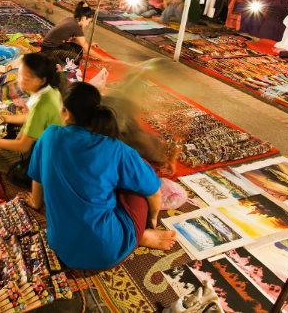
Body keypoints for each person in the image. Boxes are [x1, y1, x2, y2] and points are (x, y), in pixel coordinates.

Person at [21, 82, 176, 270]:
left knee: (124, 175)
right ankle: (140, 235)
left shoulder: (49, 135)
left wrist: (36, 203)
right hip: (108, 251)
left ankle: (133, 233)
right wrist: (150, 221)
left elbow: (37, 178)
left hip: (61, 247)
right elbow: (154, 192)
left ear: (67, 113)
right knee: (138, 181)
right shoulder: (118, 149)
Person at [0, 53, 62, 173]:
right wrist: (3, 118)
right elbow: (31, 117)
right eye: (19, 74)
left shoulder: (41, 106)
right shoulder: (51, 91)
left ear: (41, 80)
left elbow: (22, 146)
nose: (19, 80)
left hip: (42, 162)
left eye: (26, 77)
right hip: (43, 147)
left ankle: (26, 175)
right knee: (4, 114)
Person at [40, 1, 108, 62]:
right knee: (76, 58)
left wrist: (89, 44)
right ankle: (49, 58)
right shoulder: (75, 27)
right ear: (84, 18)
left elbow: (74, 40)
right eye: (89, 22)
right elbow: (86, 49)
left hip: (55, 46)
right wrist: (102, 58)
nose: (88, 24)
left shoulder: (70, 19)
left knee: (79, 49)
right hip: (48, 50)